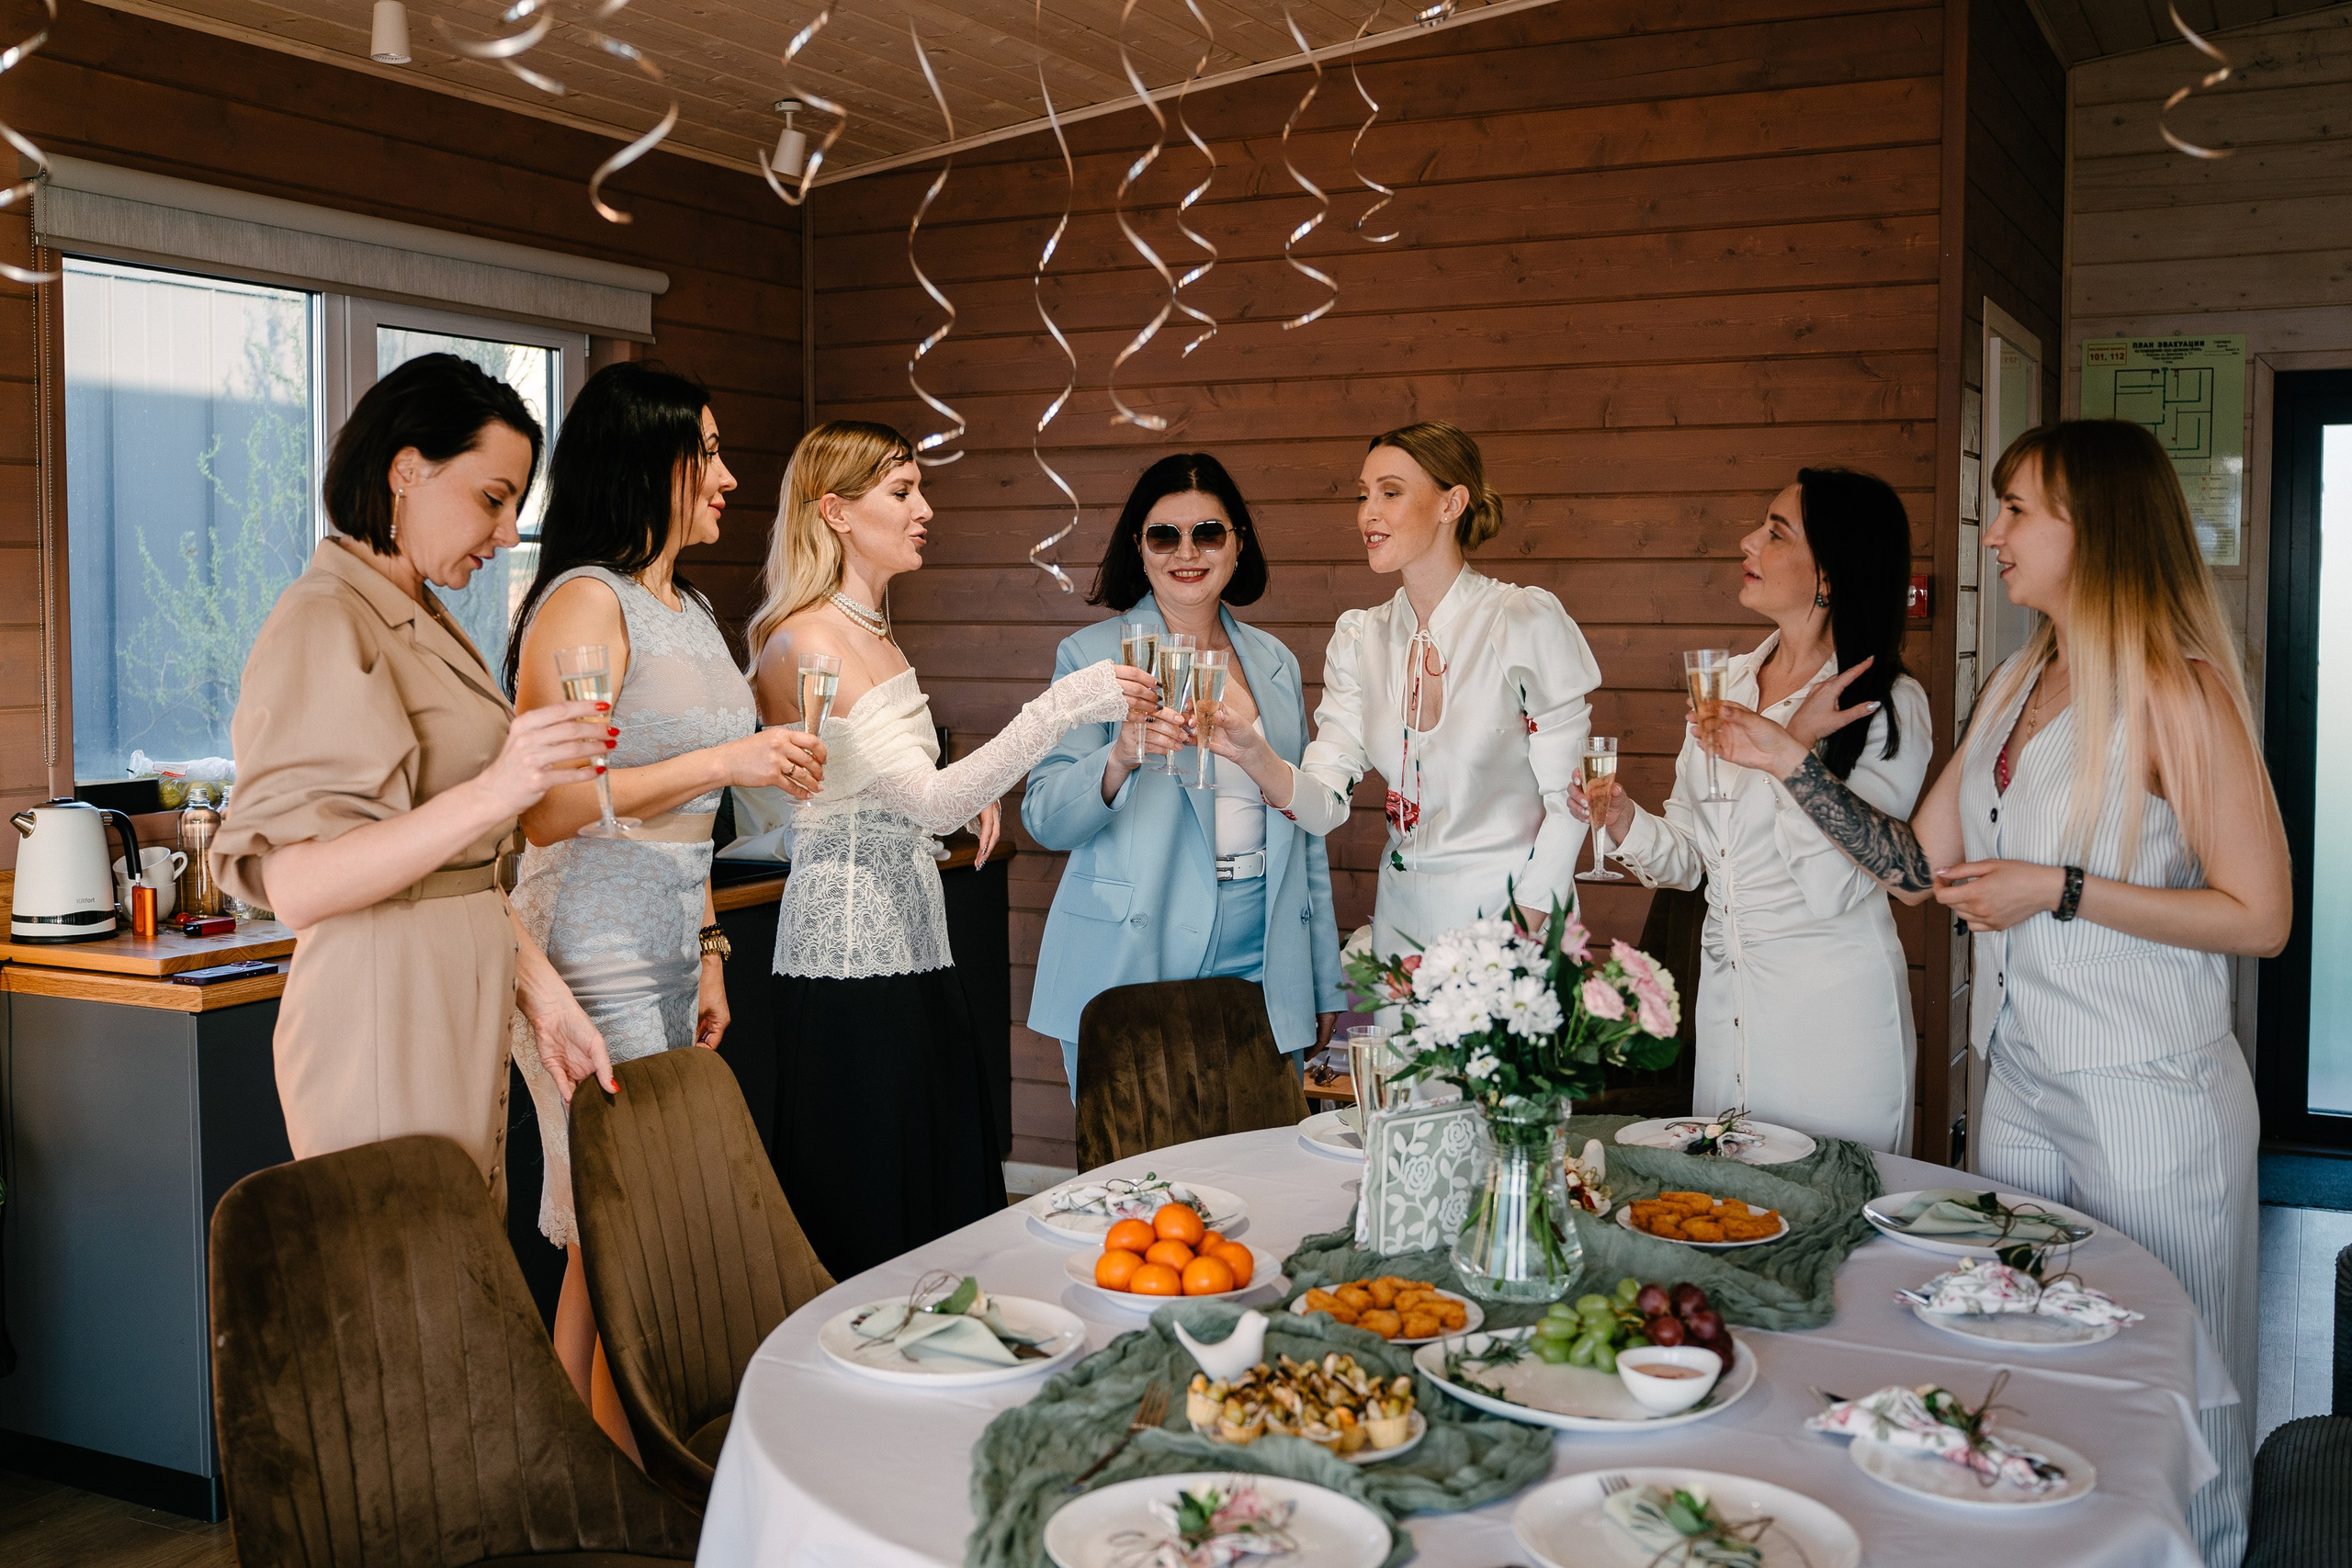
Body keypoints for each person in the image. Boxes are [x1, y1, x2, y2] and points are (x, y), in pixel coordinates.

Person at [1703, 420, 2290, 1565]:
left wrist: (2058, 889)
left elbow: (2257, 916)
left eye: (2020, 508)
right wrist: (1787, 762)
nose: (1996, 531)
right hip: (2020, 1083)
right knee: (2017, 1360)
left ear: (2098, 529)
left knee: (2176, 1386)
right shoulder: (2020, 677)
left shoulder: (2179, 691)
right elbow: (1914, 870)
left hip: (2150, 1092)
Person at [500, 362, 827, 1449]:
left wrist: (712, 949)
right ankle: (609, 1466)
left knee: (628, 1230)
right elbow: (546, 813)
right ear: (649, 463)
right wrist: (730, 756)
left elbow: (683, 823)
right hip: (584, 941)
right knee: (614, 1223)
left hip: (669, 936)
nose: (731, 477)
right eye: (711, 455)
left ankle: (601, 1463)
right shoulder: (580, 600)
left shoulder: (682, 604)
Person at [743, 421, 1158, 1278]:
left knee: (941, 1197)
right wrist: (1062, 707)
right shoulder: (810, 636)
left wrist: (974, 797)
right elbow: (925, 796)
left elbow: (903, 794)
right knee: (874, 1207)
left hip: (913, 943)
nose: (925, 509)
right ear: (837, 511)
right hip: (847, 964)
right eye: (903, 491)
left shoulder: (874, 633)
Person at [212, 353, 615, 1205]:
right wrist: (500, 788)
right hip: (381, 1017)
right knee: (411, 1308)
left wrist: (543, 998)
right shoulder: (323, 621)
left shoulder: (417, 614)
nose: (508, 534)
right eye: (493, 498)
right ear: (406, 470)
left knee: (454, 1301)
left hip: (454, 1004)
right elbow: (295, 885)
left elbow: (456, 864)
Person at [1567, 469, 1928, 1151]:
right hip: (1726, 1008)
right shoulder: (1727, 684)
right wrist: (1621, 819)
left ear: (1830, 573)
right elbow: (1697, 860)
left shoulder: (1885, 704)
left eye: (1775, 531)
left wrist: (1794, 749)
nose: (1748, 540)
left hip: (1830, 1024)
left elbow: (1838, 885)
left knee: (1827, 1227)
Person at [1209, 420, 1600, 957]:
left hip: (1518, 935)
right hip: (1403, 939)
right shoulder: (1359, 638)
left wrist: (1516, 933)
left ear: (1451, 503)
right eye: (1364, 494)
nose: (1367, 513)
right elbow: (1325, 806)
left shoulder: (1522, 622)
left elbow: (1573, 802)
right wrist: (1257, 757)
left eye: (1390, 493)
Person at [1023, 454, 1346, 1099]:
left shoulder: (1275, 663)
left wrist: (1320, 973)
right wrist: (1118, 758)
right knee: (1143, 1177)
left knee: (1259, 1174)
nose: (1186, 552)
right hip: (1135, 955)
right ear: (1137, 548)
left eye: (1208, 532)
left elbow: (1305, 828)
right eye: (1163, 534)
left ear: (1238, 544)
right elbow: (1044, 815)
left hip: (1264, 954)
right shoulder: (1090, 656)